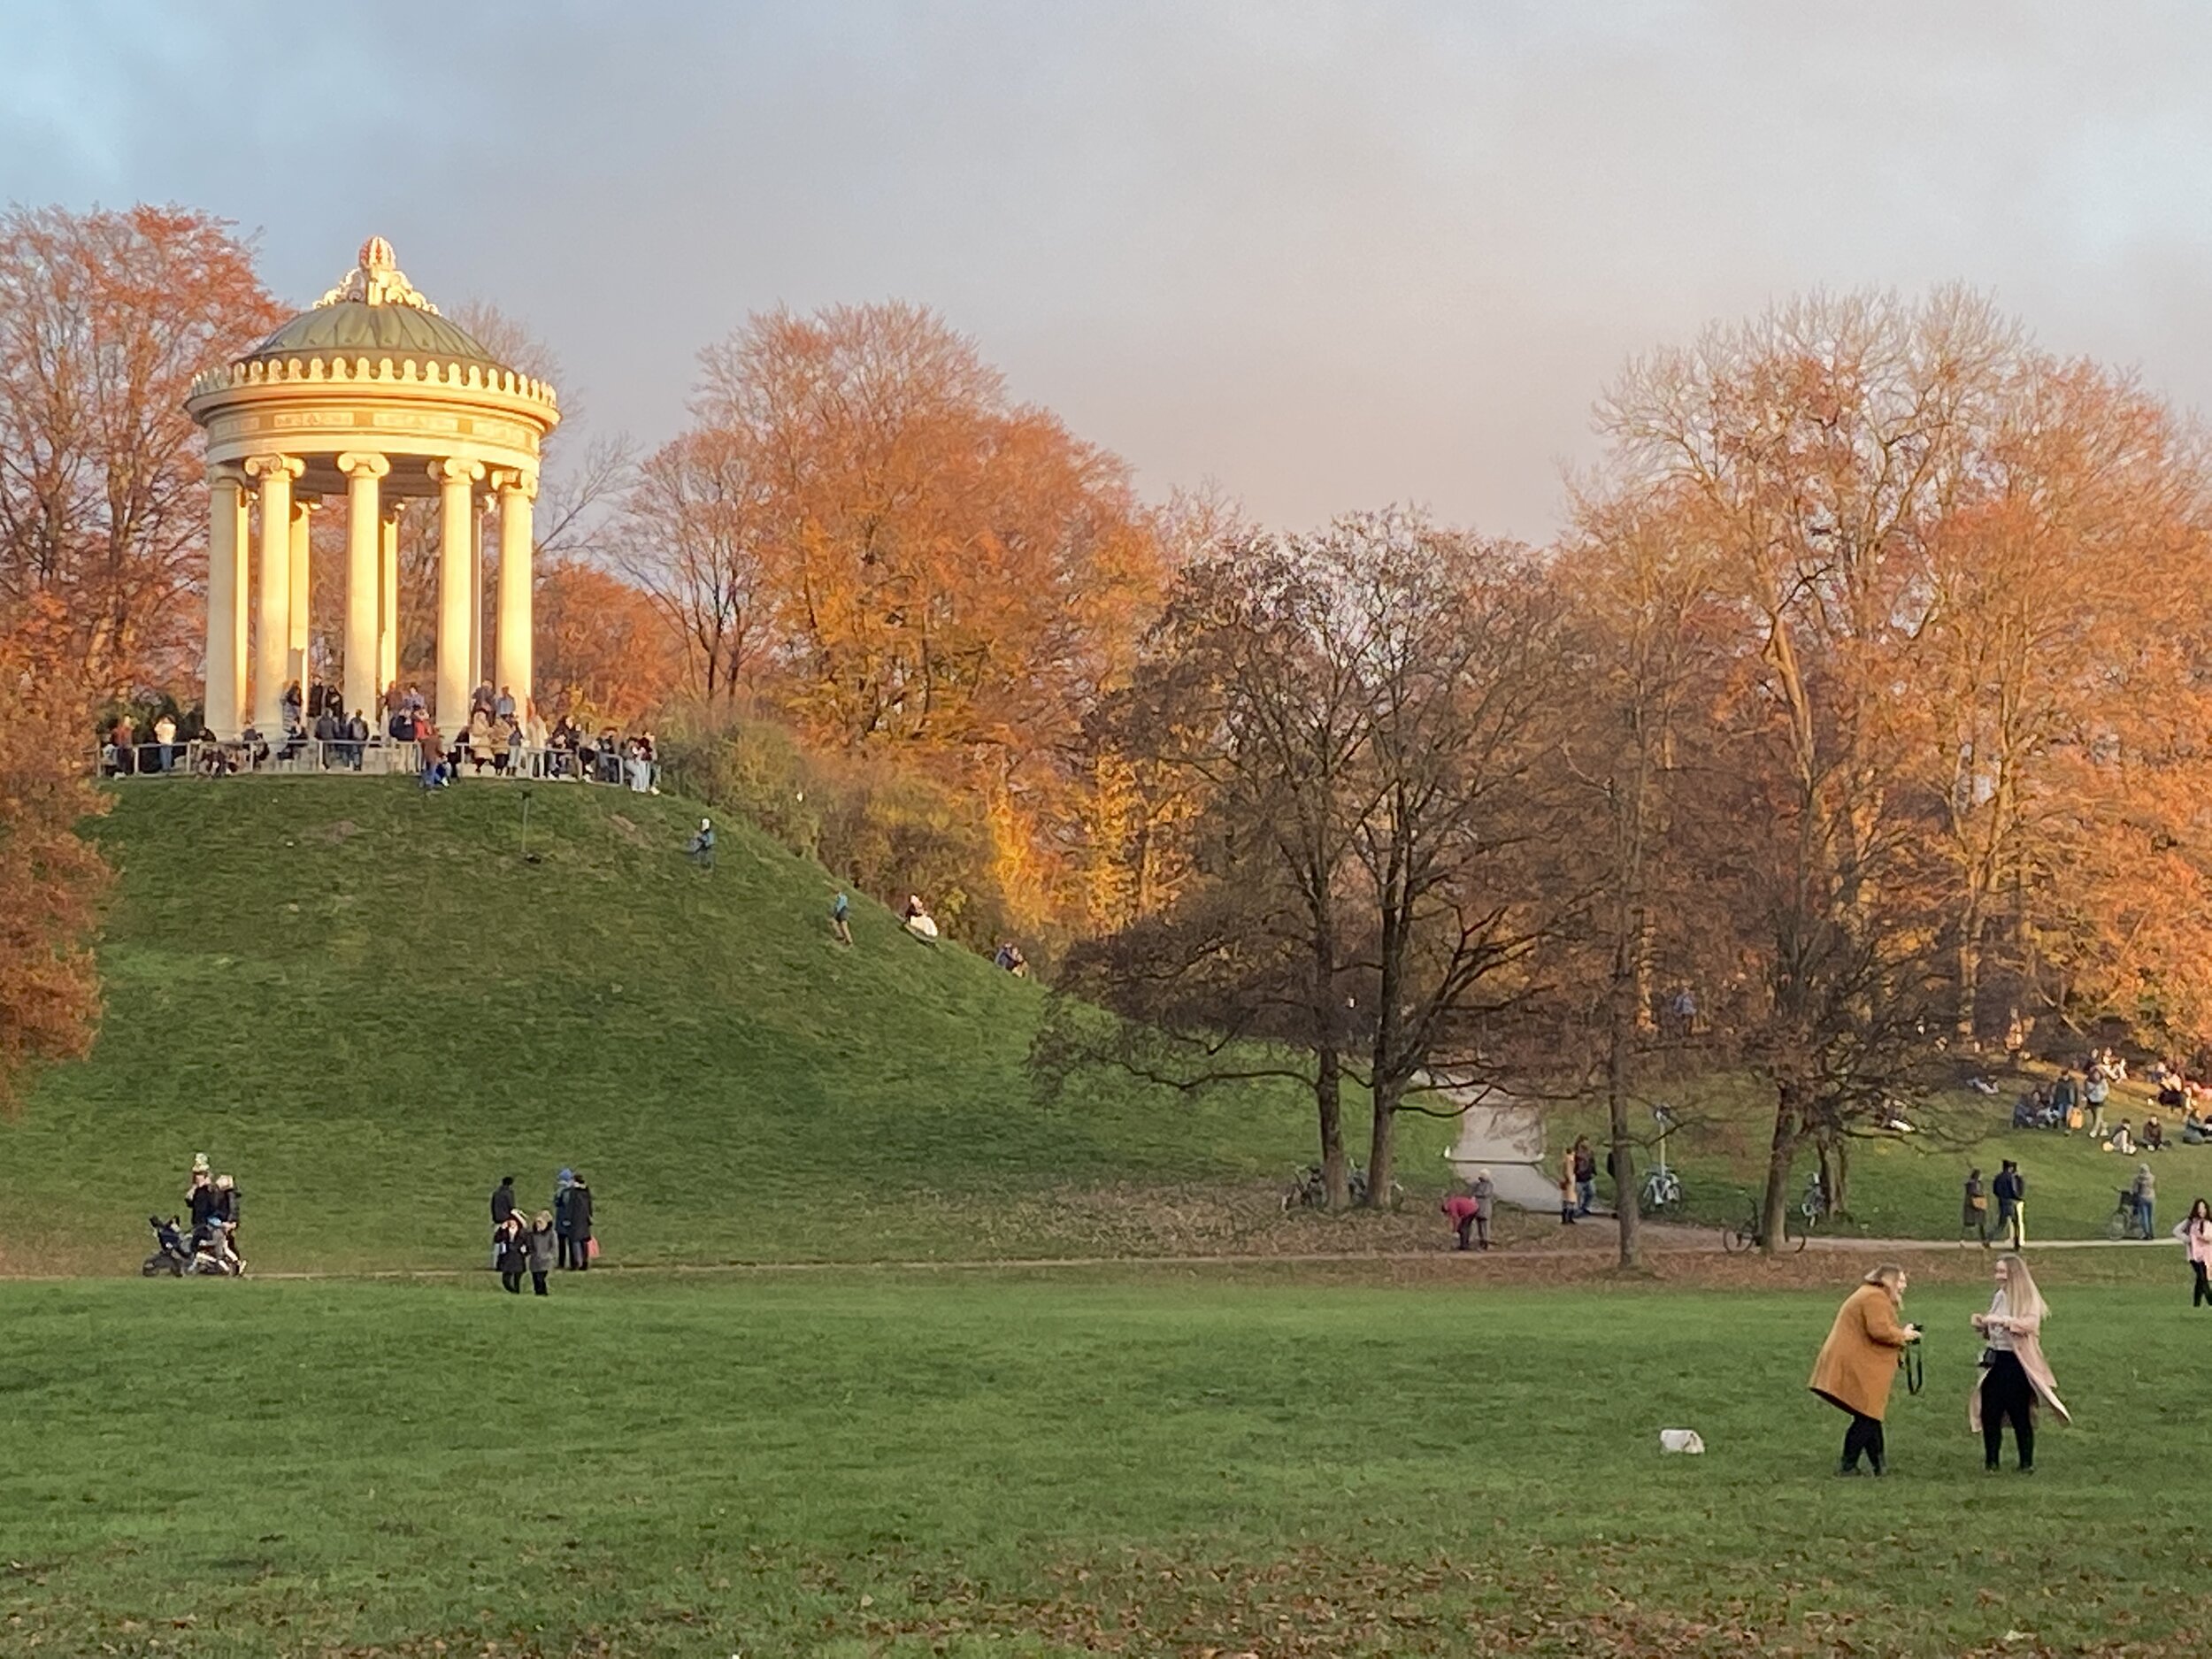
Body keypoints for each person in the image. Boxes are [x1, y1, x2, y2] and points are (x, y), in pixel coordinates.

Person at [1809, 1263, 1920, 1477]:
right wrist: (1903, 1336)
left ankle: (1879, 1466)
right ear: (1890, 1281)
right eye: (1902, 1281)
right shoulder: (1875, 1297)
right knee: (1867, 1416)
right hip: (1859, 1365)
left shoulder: (1868, 1294)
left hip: (1858, 1362)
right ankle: (1848, 1465)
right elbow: (1878, 1330)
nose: (1905, 1285)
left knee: (1869, 1414)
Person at [1970, 1253, 2070, 1473]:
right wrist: (1983, 1325)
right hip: (1997, 1359)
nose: (1998, 1277)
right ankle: (1991, 1463)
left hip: (2018, 1363)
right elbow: (1994, 1329)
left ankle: (2026, 1463)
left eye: (2003, 1272)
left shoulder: (2028, 1298)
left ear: (2014, 1274)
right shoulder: (2000, 1296)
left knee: (2019, 1412)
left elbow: (2029, 1325)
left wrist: (2003, 1321)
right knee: (1989, 1411)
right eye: (1997, 1272)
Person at [2176, 1198, 2212, 1308]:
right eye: (2199, 1208)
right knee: (2202, 1278)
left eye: (2204, 1208)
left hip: (2206, 1255)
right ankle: (2211, 1301)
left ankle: (2196, 1304)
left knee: (2200, 1280)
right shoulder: (2190, 1222)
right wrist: (2189, 1239)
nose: (2202, 1210)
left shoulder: (2209, 1223)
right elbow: (2177, 1231)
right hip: (2194, 1255)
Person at [1992, 1160, 2025, 1251]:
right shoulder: (2010, 1177)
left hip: (2002, 1201)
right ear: (2009, 1168)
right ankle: (2017, 1244)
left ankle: (1988, 1239)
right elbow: (2013, 1190)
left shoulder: (1998, 1177)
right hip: (2009, 1202)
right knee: (2016, 1223)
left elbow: (1995, 1190)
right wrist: (2018, 1198)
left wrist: (2000, 1196)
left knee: (2001, 1224)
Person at [495, 1211, 529, 1294]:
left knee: (517, 1278)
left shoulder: (522, 1232)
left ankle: (517, 1293)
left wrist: (525, 1251)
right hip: (507, 1257)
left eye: (514, 1221)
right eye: (510, 1221)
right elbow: (497, 1239)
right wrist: (501, 1230)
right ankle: (513, 1291)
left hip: (518, 1257)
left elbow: (528, 1244)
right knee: (505, 1279)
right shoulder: (505, 1230)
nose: (512, 1223)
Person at [490, 1175, 518, 1269]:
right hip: (506, 1221)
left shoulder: (496, 1193)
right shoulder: (509, 1194)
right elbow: (512, 1207)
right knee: (505, 1244)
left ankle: (495, 1263)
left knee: (497, 1243)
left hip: (497, 1220)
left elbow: (492, 1207)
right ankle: (503, 1263)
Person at [568, 1171, 594, 1269]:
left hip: (575, 1219)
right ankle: (585, 1262)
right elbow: (590, 1205)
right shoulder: (586, 1190)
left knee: (575, 1241)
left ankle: (577, 1263)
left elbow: (571, 1206)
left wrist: (568, 1218)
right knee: (584, 1242)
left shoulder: (573, 1191)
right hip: (585, 1220)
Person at [528, 1210, 557, 1295]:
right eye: (537, 1222)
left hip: (546, 1261)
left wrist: (549, 1256)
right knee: (535, 1279)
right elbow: (530, 1246)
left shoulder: (551, 1234)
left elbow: (554, 1247)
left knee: (541, 1278)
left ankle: (543, 1294)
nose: (538, 1225)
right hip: (535, 1260)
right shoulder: (533, 1234)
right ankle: (538, 1294)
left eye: (540, 1223)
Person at [553, 1167, 578, 1269]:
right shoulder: (572, 1191)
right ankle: (572, 1263)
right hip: (569, 1220)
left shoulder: (563, 1191)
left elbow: (558, 1203)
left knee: (563, 1243)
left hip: (563, 1219)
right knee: (570, 1243)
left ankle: (563, 1263)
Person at [1962, 1167, 1990, 1247]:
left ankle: (1982, 1239)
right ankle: (1980, 1240)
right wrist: (1982, 1194)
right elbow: (1973, 1192)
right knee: (1973, 1223)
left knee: (1978, 1224)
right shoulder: (1972, 1184)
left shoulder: (1976, 1183)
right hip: (1973, 1206)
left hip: (1975, 1206)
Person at [1572, 1136, 1598, 1217]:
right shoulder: (1576, 1154)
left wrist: (1594, 1171)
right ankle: (1578, 1210)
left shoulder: (1590, 1153)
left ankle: (1585, 1207)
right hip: (1578, 1178)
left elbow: (1592, 1163)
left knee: (1591, 1192)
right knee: (1578, 1194)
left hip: (1588, 1177)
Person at [2085, 1065, 2110, 1138]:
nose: (2096, 1076)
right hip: (2091, 1100)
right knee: (2095, 1116)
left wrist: (2101, 1094)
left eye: (2098, 1074)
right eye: (2095, 1074)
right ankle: (2104, 1127)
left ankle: (2094, 1131)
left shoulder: (2103, 1082)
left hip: (2100, 1101)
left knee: (2098, 1116)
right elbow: (2086, 1091)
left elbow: (2106, 1091)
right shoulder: (2088, 1081)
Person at [2131, 1162, 2155, 1238]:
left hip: (2143, 1197)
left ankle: (2147, 1233)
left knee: (2144, 1217)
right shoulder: (2152, 1177)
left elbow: (2135, 1190)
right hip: (2151, 1197)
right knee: (2150, 1216)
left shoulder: (2138, 1179)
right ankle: (2152, 1233)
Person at [1557, 1146, 1577, 1226]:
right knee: (1571, 1199)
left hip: (1566, 1179)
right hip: (1570, 1179)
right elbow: (1568, 1170)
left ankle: (1564, 1217)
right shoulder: (1570, 1159)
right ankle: (1569, 1217)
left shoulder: (1565, 1159)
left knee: (1566, 1199)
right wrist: (1569, 1178)